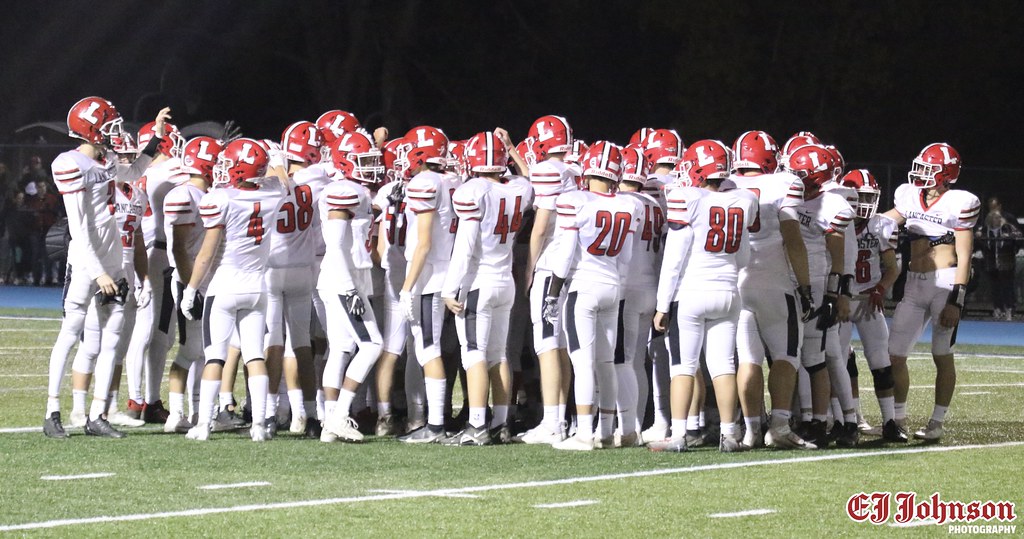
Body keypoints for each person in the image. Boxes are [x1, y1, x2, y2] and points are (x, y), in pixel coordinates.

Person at [43, 97, 165, 438]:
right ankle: (52, 410)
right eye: (109, 124)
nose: (115, 131)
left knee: (112, 339)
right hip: (87, 263)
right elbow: (79, 226)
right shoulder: (70, 163)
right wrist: (99, 272)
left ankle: (98, 414)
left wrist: (154, 138)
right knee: (71, 334)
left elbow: (137, 170)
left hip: (114, 260)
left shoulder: (107, 161)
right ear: (89, 128)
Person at [649, 139, 758, 453]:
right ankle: (729, 434)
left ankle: (679, 435)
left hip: (692, 291)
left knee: (683, 366)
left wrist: (662, 305)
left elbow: (674, 259)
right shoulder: (742, 200)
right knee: (723, 365)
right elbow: (744, 258)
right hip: (728, 291)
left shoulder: (688, 198)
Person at [182, 138, 286, 442]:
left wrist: (191, 289)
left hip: (224, 287)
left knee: (215, 356)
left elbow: (206, 254)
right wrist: (275, 155)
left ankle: (203, 425)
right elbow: (280, 178)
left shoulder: (220, 198)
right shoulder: (273, 194)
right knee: (255, 356)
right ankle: (259, 426)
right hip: (257, 289)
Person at [543, 141, 642, 451]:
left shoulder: (575, 200)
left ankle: (585, 433)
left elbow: (566, 252)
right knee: (605, 361)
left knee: (582, 361)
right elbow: (626, 256)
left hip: (583, 285)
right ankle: (608, 431)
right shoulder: (628, 205)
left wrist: (552, 292)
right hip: (613, 284)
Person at [440, 131, 534, 445]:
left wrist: (450, 288)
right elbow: (528, 179)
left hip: (478, 282)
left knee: (474, 355)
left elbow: (465, 247)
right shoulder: (519, 189)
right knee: (499, 355)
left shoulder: (472, 191)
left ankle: (477, 426)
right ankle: (503, 423)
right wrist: (512, 150)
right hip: (505, 280)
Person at [882, 142, 979, 442]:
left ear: (946, 173)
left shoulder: (960, 202)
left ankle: (936, 422)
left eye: (929, 169)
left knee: (941, 355)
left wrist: (957, 301)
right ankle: (897, 421)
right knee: (894, 355)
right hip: (913, 283)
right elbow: (886, 219)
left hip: (945, 283)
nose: (921, 173)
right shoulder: (909, 196)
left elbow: (964, 256)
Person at [728, 130, 816, 450]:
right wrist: (805, 287)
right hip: (775, 282)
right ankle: (778, 427)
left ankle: (751, 431)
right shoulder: (784, 183)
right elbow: (793, 238)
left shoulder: (725, 184)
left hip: (736, 283)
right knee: (785, 356)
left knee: (748, 361)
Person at [317, 131, 386, 443]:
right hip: (342, 279)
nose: (371, 166)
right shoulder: (343, 190)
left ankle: (330, 423)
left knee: (342, 349)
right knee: (372, 345)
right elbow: (335, 245)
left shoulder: (355, 189)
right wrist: (348, 289)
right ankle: (339, 415)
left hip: (345, 278)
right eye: (364, 160)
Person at [394, 125, 459, 443]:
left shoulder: (424, 183)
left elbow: (422, 243)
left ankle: (435, 426)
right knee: (426, 349)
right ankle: (434, 423)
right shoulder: (444, 181)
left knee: (428, 349)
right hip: (437, 271)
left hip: (429, 275)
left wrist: (408, 285)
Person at [519, 115, 580, 445]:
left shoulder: (550, 171)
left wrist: (529, 266)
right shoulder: (574, 169)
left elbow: (541, 226)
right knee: (562, 347)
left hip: (550, 267)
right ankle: (563, 418)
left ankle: (553, 422)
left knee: (546, 345)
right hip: (572, 267)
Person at [162, 136, 224, 433]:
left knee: (204, 350)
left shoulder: (204, 195)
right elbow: (178, 248)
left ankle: (200, 411)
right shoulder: (183, 195)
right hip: (190, 282)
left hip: (206, 282)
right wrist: (191, 288)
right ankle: (176, 413)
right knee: (190, 349)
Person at [976, 197, 1022, 320]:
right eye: (994, 217)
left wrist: (1010, 240)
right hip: (991, 263)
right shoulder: (986, 230)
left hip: (1006, 262)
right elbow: (981, 243)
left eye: (998, 217)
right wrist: (980, 239)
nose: (997, 219)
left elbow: (1018, 237)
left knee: (1007, 286)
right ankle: (998, 308)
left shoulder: (1008, 226)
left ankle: (1009, 309)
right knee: (995, 287)